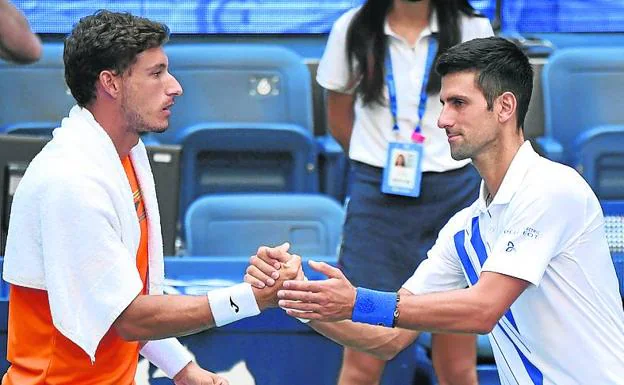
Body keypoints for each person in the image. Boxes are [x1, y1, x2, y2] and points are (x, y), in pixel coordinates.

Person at [247, 36, 624, 384]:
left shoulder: (551, 188)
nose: (442, 119)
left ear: (505, 106)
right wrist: (299, 298)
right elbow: (387, 338)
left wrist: (356, 301)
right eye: (442, 104)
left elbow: (482, 310)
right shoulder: (463, 228)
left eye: (458, 103)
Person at [1, 10, 299, 385]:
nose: (175, 86)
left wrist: (183, 368)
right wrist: (250, 299)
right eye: (156, 73)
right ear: (110, 83)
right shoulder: (71, 181)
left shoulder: (124, 156)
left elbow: (120, 295)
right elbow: (128, 316)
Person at [316, 0, 493, 383]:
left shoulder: (471, 28)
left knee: (457, 363)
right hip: (377, 201)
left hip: (454, 194)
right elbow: (338, 114)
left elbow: (487, 114)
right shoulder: (352, 27)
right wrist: (376, 158)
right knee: (363, 361)